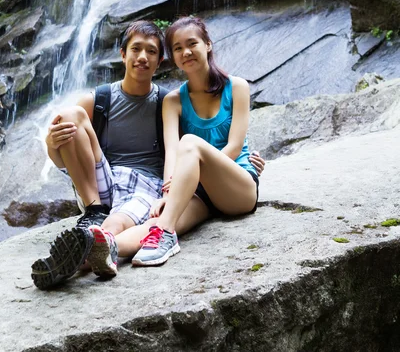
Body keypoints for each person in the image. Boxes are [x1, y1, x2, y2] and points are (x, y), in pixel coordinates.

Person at [88, 15, 262, 269]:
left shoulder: (236, 87)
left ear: (208, 45)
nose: (186, 52)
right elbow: (171, 153)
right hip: (199, 195)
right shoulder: (173, 101)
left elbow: (235, 146)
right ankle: (97, 252)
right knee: (154, 223)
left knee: (190, 143)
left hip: (238, 189)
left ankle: (167, 237)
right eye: (177, 48)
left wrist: (188, 181)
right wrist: (168, 194)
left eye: (192, 44)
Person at [31, 20, 168, 289]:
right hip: (103, 185)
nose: (142, 57)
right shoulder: (100, 99)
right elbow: (63, 162)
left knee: (116, 222)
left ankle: (64, 264)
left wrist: (244, 161)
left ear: (160, 60)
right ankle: (93, 213)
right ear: (122, 53)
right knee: (70, 115)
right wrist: (51, 144)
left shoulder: (167, 103)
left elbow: (193, 144)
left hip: (145, 187)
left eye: (151, 51)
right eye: (136, 49)